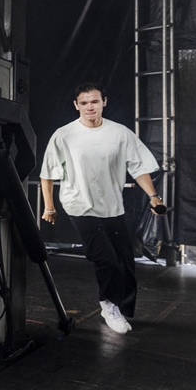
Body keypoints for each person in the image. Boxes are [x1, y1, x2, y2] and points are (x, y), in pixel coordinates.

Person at [40, 82, 164, 334]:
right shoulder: (64, 135)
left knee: (126, 263)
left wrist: (154, 196)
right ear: (76, 106)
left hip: (112, 207)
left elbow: (138, 167)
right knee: (107, 261)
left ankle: (121, 306)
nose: (89, 107)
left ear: (104, 102)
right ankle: (109, 306)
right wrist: (50, 207)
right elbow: (47, 174)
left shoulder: (120, 133)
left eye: (94, 101)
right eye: (84, 103)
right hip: (79, 205)